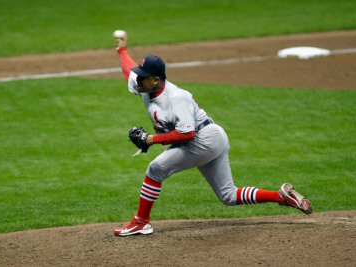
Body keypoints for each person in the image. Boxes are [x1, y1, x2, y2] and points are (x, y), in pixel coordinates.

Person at [113, 32, 313, 237]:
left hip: (204, 139)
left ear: (155, 80)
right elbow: (128, 72)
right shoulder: (145, 86)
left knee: (155, 169)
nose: (138, 79)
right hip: (211, 138)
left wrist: (150, 139)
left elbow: (187, 134)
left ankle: (141, 222)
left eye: (143, 76)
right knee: (228, 196)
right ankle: (281, 196)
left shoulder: (176, 98)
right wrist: (122, 49)